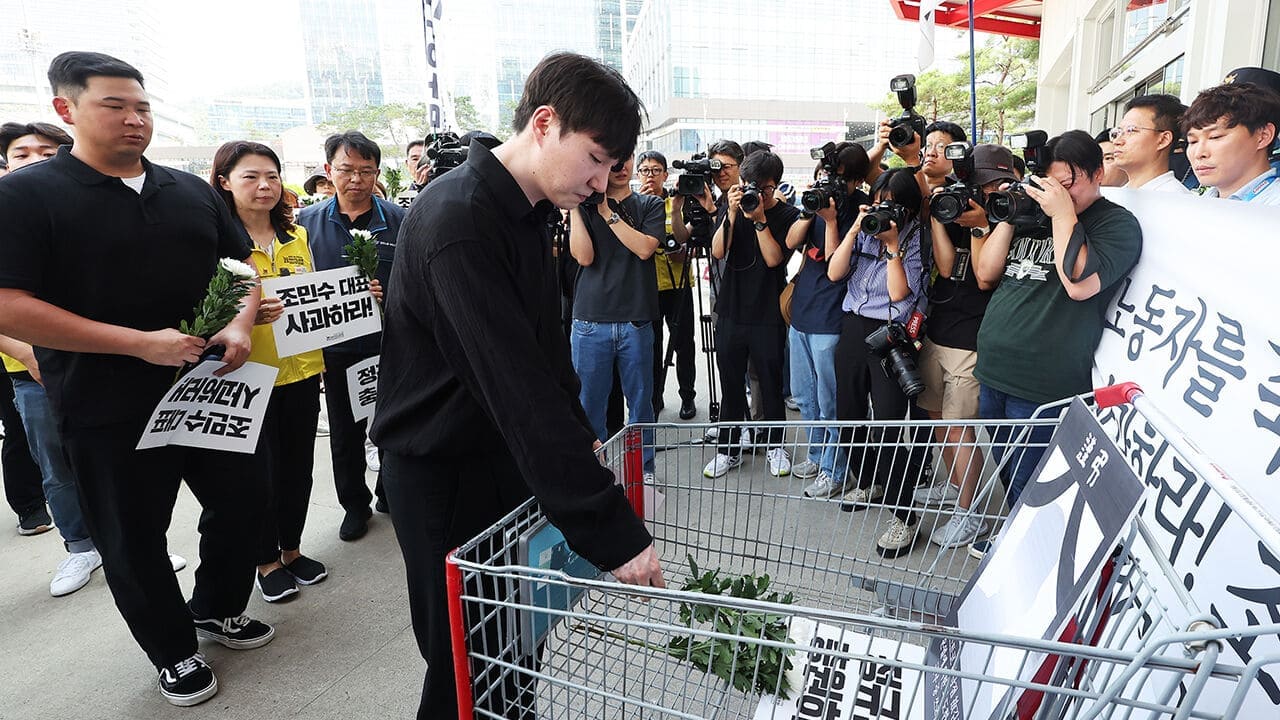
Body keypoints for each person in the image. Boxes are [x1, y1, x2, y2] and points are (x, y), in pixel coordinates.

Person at [369, 51, 662, 720]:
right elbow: (515, 386)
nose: (599, 182)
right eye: (594, 158)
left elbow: (545, 352)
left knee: (512, 647)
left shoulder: (530, 212)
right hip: (441, 467)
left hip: (499, 458)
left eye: (612, 169)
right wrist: (613, 529)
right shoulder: (459, 221)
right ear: (543, 121)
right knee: (465, 664)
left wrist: (583, 439)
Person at [0, 50, 272, 707]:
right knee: (130, 533)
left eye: (142, 107)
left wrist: (239, 324)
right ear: (67, 110)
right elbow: (10, 302)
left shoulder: (189, 189)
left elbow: (241, 269)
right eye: (114, 106)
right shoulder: (26, 196)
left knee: (245, 505)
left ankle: (216, 607)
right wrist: (137, 345)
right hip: (103, 404)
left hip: (209, 386)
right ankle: (173, 650)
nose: (134, 120)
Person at [973, 130, 1143, 511]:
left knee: (1032, 485)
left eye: (1068, 184)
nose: (1059, 195)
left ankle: (1022, 557)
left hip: (1042, 383)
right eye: (1052, 185)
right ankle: (1011, 541)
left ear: (1098, 173)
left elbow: (1078, 284)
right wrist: (1011, 212)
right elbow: (986, 271)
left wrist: (1063, 214)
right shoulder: (1033, 215)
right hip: (994, 369)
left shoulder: (1116, 225)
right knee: (1008, 471)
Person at [211, 141, 332, 603]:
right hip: (246, 376)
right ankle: (264, 561)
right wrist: (243, 316)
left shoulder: (296, 237)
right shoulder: (218, 243)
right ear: (224, 181)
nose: (264, 187)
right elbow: (201, 308)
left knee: (298, 468)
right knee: (257, 475)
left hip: (301, 370)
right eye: (250, 177)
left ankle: (293, 549)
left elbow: (315, 297)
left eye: (272, 177)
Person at [0, 120, 104, 595]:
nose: (35, 161)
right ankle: (81, 547)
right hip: (31, 372)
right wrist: (32, 355)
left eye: (47, 152)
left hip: (100, 361)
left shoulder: (89, 211)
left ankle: (138, 539)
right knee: (55, 464)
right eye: (22, 154)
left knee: (117, 460)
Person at [296, 130, 403, 541]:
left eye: (365, 171)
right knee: (344, 433)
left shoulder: (399, 220)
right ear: (328, 170)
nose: (356, 179)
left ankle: (388, 493)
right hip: (336, 351)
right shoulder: (305, 226)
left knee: (392, 425)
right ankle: (353, 505)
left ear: (377, 173)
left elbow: (415, 281)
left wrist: (385, 293)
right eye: (346, 169)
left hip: (390, 345)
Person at [914, 144, 1018, 549]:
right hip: (940, 329)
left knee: (959, 429)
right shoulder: (961, 207)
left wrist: (980, 226)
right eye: (975, 184)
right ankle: (956, 489)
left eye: (988, 184)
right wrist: (941, 215)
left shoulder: (1010, 216)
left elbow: (984, 277)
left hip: (973, 336)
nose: (981, 192)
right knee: (938, 420)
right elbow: (945, 267)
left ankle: (969, 511)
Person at [828, 168, 931, 558]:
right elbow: (836, 272)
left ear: (906, 207)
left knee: (888, 423)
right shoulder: (864, 229)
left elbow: (899, 292)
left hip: (891, 334)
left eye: (891, 203)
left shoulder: (916, 237)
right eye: (878, 200)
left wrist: (891, 247)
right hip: (853, 328)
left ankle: (904, 515)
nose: (883, 210)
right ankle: (871, 478)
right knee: (848, 417)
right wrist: (854, 228)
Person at [703, 149, 800, 479]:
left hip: (767, 313)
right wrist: (730, 214)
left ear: (774, 186)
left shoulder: (787, 215)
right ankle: (728, 450)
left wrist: (759, 220)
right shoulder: (733, 207)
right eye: (748, 183)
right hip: (730, 309)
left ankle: (775, 446)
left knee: (770, 385)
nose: (753, 191)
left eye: (762, 186)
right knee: (730, 384)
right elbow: (718, 251)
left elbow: (775, 259)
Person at [785, 142, 872, 497]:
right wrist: (809, 211)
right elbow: (792, 241)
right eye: (827, 175)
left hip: (832, 315)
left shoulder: (860, 209)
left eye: (839, 178)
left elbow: (837, 266)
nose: (832, 183)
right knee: (804, 397)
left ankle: (837, 471)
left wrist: (833, 221)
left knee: (829, 402)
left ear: (854, 181)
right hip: (803, 311)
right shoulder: (816, 201)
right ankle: (818, 455)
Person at [568, 154, 662, 480]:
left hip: (636, 319)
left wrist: (607, 212)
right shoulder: (582, 204)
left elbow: (645, 248)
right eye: (614, 159)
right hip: (590, 320)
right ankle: (594, 472)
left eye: (626, 159)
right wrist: (576, 209)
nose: (621, 166)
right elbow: (583, 255)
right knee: (588, 404)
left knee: (640, 404)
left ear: (634, 161)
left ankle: (642, 469)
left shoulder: (649, 204)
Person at [636, 150, 697, 421]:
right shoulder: (632, 206)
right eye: (645, 170)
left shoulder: (677, 204)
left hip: (678, 282)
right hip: (646, 286)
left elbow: (689, 240)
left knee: (684, 343)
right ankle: (654, 396)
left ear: (665, 174)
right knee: (650, 345)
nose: (650, 175)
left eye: (656, 170)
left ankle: (688, 397)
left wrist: (681, 249)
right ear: (638, 175)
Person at [1183, 81, 1280, 204]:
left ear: (1263, 136)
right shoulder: (1195, 205)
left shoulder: (1274, 209)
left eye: (1215, 137)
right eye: (1193, 141)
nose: (1199, 153)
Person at [1111, 94, 1192, 193]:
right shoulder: (1117, 195)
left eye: (1131, 130)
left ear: (1163, 140)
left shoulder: (1176, 198)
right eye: (1117, 132)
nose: (1117, 141)